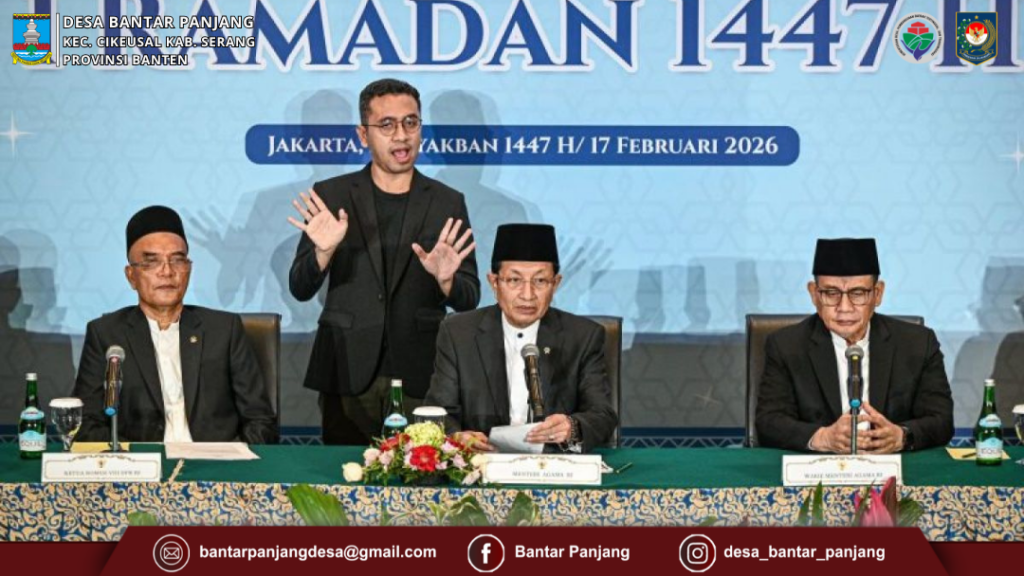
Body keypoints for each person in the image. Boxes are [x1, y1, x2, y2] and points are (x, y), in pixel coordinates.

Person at [288, 79, 479, 445]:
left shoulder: (447, 201)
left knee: (423, 474)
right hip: (346, 367)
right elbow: (300, 287)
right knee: (344, 473)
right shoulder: (332, 195)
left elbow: (469, 297)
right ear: (363, 134)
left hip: (422, 372)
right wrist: (323, 252)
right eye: (387, 125)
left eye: (411, 122)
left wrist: (446, 281)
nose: (401, 136)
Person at [74, 206, 278, 444]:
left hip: (214, 462)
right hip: (142, 463)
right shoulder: (106, 334)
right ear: (131, 276)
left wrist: (230, 458)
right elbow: (86, 422)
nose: (167, 271)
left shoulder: (225, 330)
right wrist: (134, 458)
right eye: (151, 262)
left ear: (188, 270)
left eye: (177, 260)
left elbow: (260, 420)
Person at [424, 224, 617, 453]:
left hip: (553, 464)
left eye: (540, 281)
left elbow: (602, 415)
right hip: (483, 464)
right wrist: (457, 438)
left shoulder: (583, 336)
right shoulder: (458, 333)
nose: (527, 295)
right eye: (514, 280)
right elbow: (438, 412)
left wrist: (572, 428)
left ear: (555, 284)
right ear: (494, 283)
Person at [755, 238, 954, 453]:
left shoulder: (918, 344)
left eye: (857, 293)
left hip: (893, 467)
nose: (844, 307)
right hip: (820, 467)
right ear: (814, 294)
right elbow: (768, 422)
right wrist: (823, 437)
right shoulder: (786, 346)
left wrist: (902, 436)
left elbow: (942, 421)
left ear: (877, 294)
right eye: (831, 293)